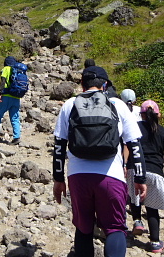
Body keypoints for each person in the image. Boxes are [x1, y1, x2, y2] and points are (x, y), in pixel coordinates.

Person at [53, 65, 147, 257]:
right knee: (115, 228)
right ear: (105, 85)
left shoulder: (70, 104)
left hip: (78, 176)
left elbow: (59, 145)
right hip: (111, 176)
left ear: (82, 84)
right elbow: (135, 144)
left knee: (84, 227)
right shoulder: (118, 104)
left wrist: (58, 179)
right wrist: (140, 178)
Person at [126, 99, 164, 253]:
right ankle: (155, 242)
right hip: (155, 171)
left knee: (134, 197)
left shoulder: (134, 127)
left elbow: (127, 146)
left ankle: (137, 221)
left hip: (134, 169)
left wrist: (125, 164)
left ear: (141, 114)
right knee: (152, 207)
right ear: (159, 115)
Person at [0, 56, 24, 145]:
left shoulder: (6, 69)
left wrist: (0, 93)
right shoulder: (18, 70)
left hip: (6, 96)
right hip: (16, 97)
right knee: (15, 117)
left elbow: (3, 81)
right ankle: (17, 137)